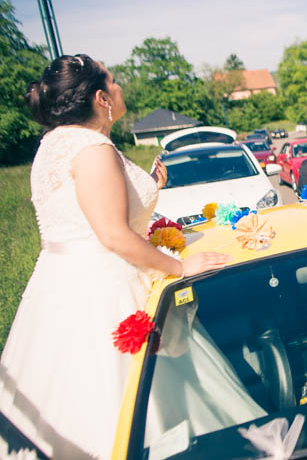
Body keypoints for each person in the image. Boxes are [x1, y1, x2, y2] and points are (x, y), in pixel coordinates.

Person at [0, 54, 232, 459]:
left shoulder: (53, 144)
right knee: (132, 402)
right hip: (102, 288)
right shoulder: (92, 148)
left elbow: (87, 215)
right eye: (113, 81)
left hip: (58, 286)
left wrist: (150, 185)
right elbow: (111, 234)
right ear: (101, 98)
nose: (120, 87)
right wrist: (181, 266)